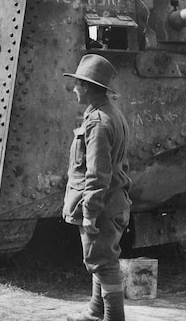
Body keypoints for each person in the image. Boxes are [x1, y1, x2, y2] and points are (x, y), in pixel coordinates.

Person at [62, 54, 131, 321]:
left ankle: (114, 317)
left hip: (102, 203)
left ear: (89, 87)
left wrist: (90, 212)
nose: (75, 89)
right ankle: (94, 312)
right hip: (114, 199)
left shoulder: (98, 122)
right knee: (100, 257)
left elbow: (97, 174)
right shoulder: (110, 114)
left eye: (78, 84)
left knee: (103, 262)